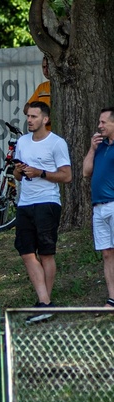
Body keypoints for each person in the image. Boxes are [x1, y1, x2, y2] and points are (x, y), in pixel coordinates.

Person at [12, 101, 71, 322]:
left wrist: (40, 173)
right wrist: (19, 171)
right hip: (25, 203)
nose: (29, 120)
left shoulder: (56, 143)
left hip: (47, 203)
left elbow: (66, 176)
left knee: (46, 253)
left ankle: (44, 304)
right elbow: (17, 177)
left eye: (34, 116)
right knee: (26, 251)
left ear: (45, 119)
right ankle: (45, 303)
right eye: (28, 116)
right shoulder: (22, 142)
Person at [84, 107, 114, 308]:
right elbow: (86, 172)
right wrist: (92, 149)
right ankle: (112, 298)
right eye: (99, 122)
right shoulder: (100, 146)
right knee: (107, 253)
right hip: (98, 206)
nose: (99, 126)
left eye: (103, 122)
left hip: (113, 203)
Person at [24, 57, 51, 131]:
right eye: (44, 67)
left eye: (48, 66)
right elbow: (26, 108)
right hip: (43, 133)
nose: (46, 70)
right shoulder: (42, 87)